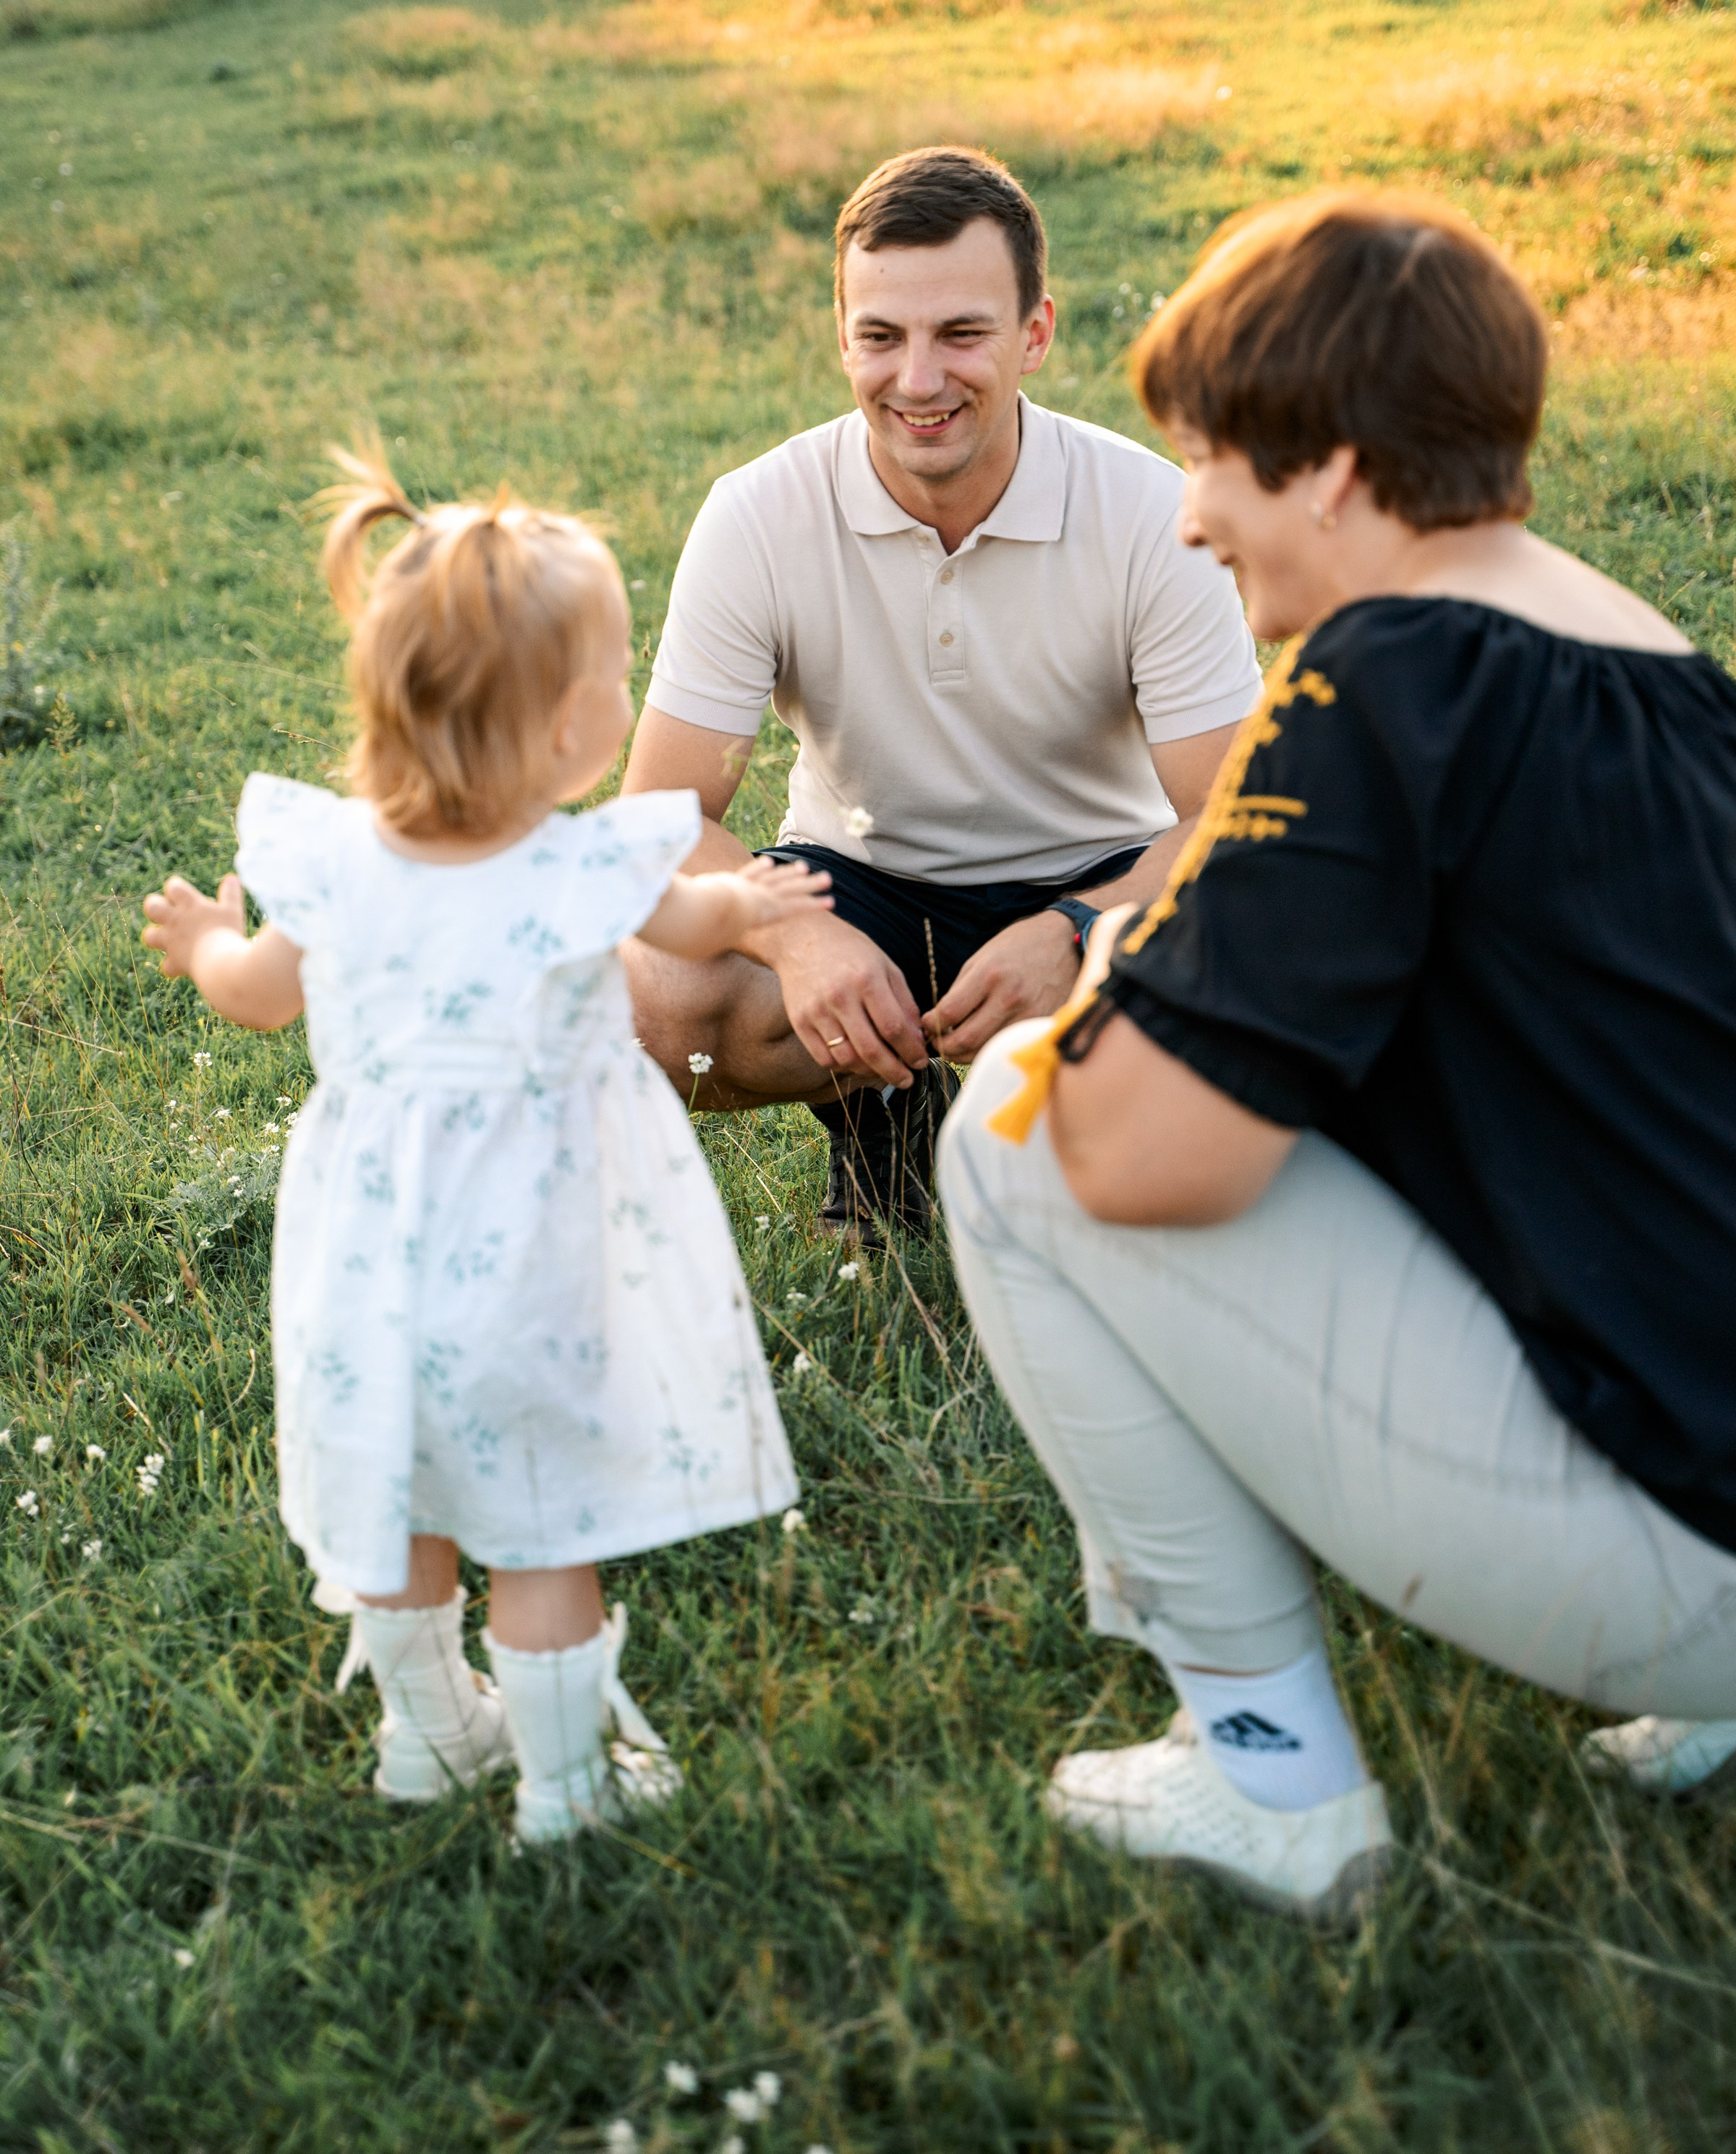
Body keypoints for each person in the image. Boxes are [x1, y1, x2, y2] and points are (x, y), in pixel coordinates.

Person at [937, 190, 1736, 1921]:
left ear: (1337, 468)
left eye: (1217, 459)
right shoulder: (1660, 663)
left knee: (1009, 1130)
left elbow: (1150, 1157)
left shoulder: (1389, 671)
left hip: (1689, 1553)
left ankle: (1270, 1780)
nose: (1197, 518)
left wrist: (1127, 946)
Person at [141, 447, 828, 1845]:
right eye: (620, 673)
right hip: (535, 1256)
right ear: (578, 729)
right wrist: (752, 909)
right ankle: (566, 1790)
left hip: (371, 1251)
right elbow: (684, 922)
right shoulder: (579, 866)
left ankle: (426, 1735)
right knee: (539, 1517)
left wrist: (209, 936)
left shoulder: (332, 864)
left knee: (401, 1490)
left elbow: (259, 999)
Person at [622, 145, 1261, 1233]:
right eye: (881, 337)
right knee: (650, 998)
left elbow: (1234, 818)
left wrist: (1075, 930)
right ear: (844, 341)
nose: (917, 380)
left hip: (1097, 877)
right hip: (856, 882)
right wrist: (795, 938)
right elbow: (659, 820)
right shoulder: (758, 514)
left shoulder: (1155, 515)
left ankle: (1045, 1140)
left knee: (1250, 1002)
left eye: (961, 334)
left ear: (1035, 334)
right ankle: (887, 1117)